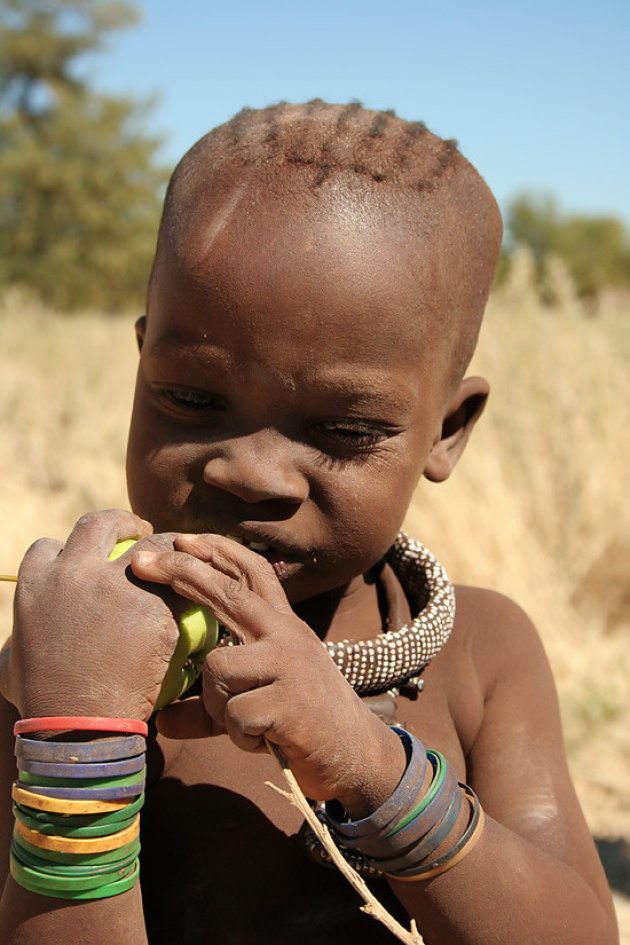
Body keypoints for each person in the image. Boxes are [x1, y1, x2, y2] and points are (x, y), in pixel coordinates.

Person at [0, 101, 618, 945]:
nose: (249, 472)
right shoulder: (70, 662)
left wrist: (369, 763)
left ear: (447, 430)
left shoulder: (480, 651)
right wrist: (80, 736)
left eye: (344, 429)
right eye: (190, 398)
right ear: (142, 362)